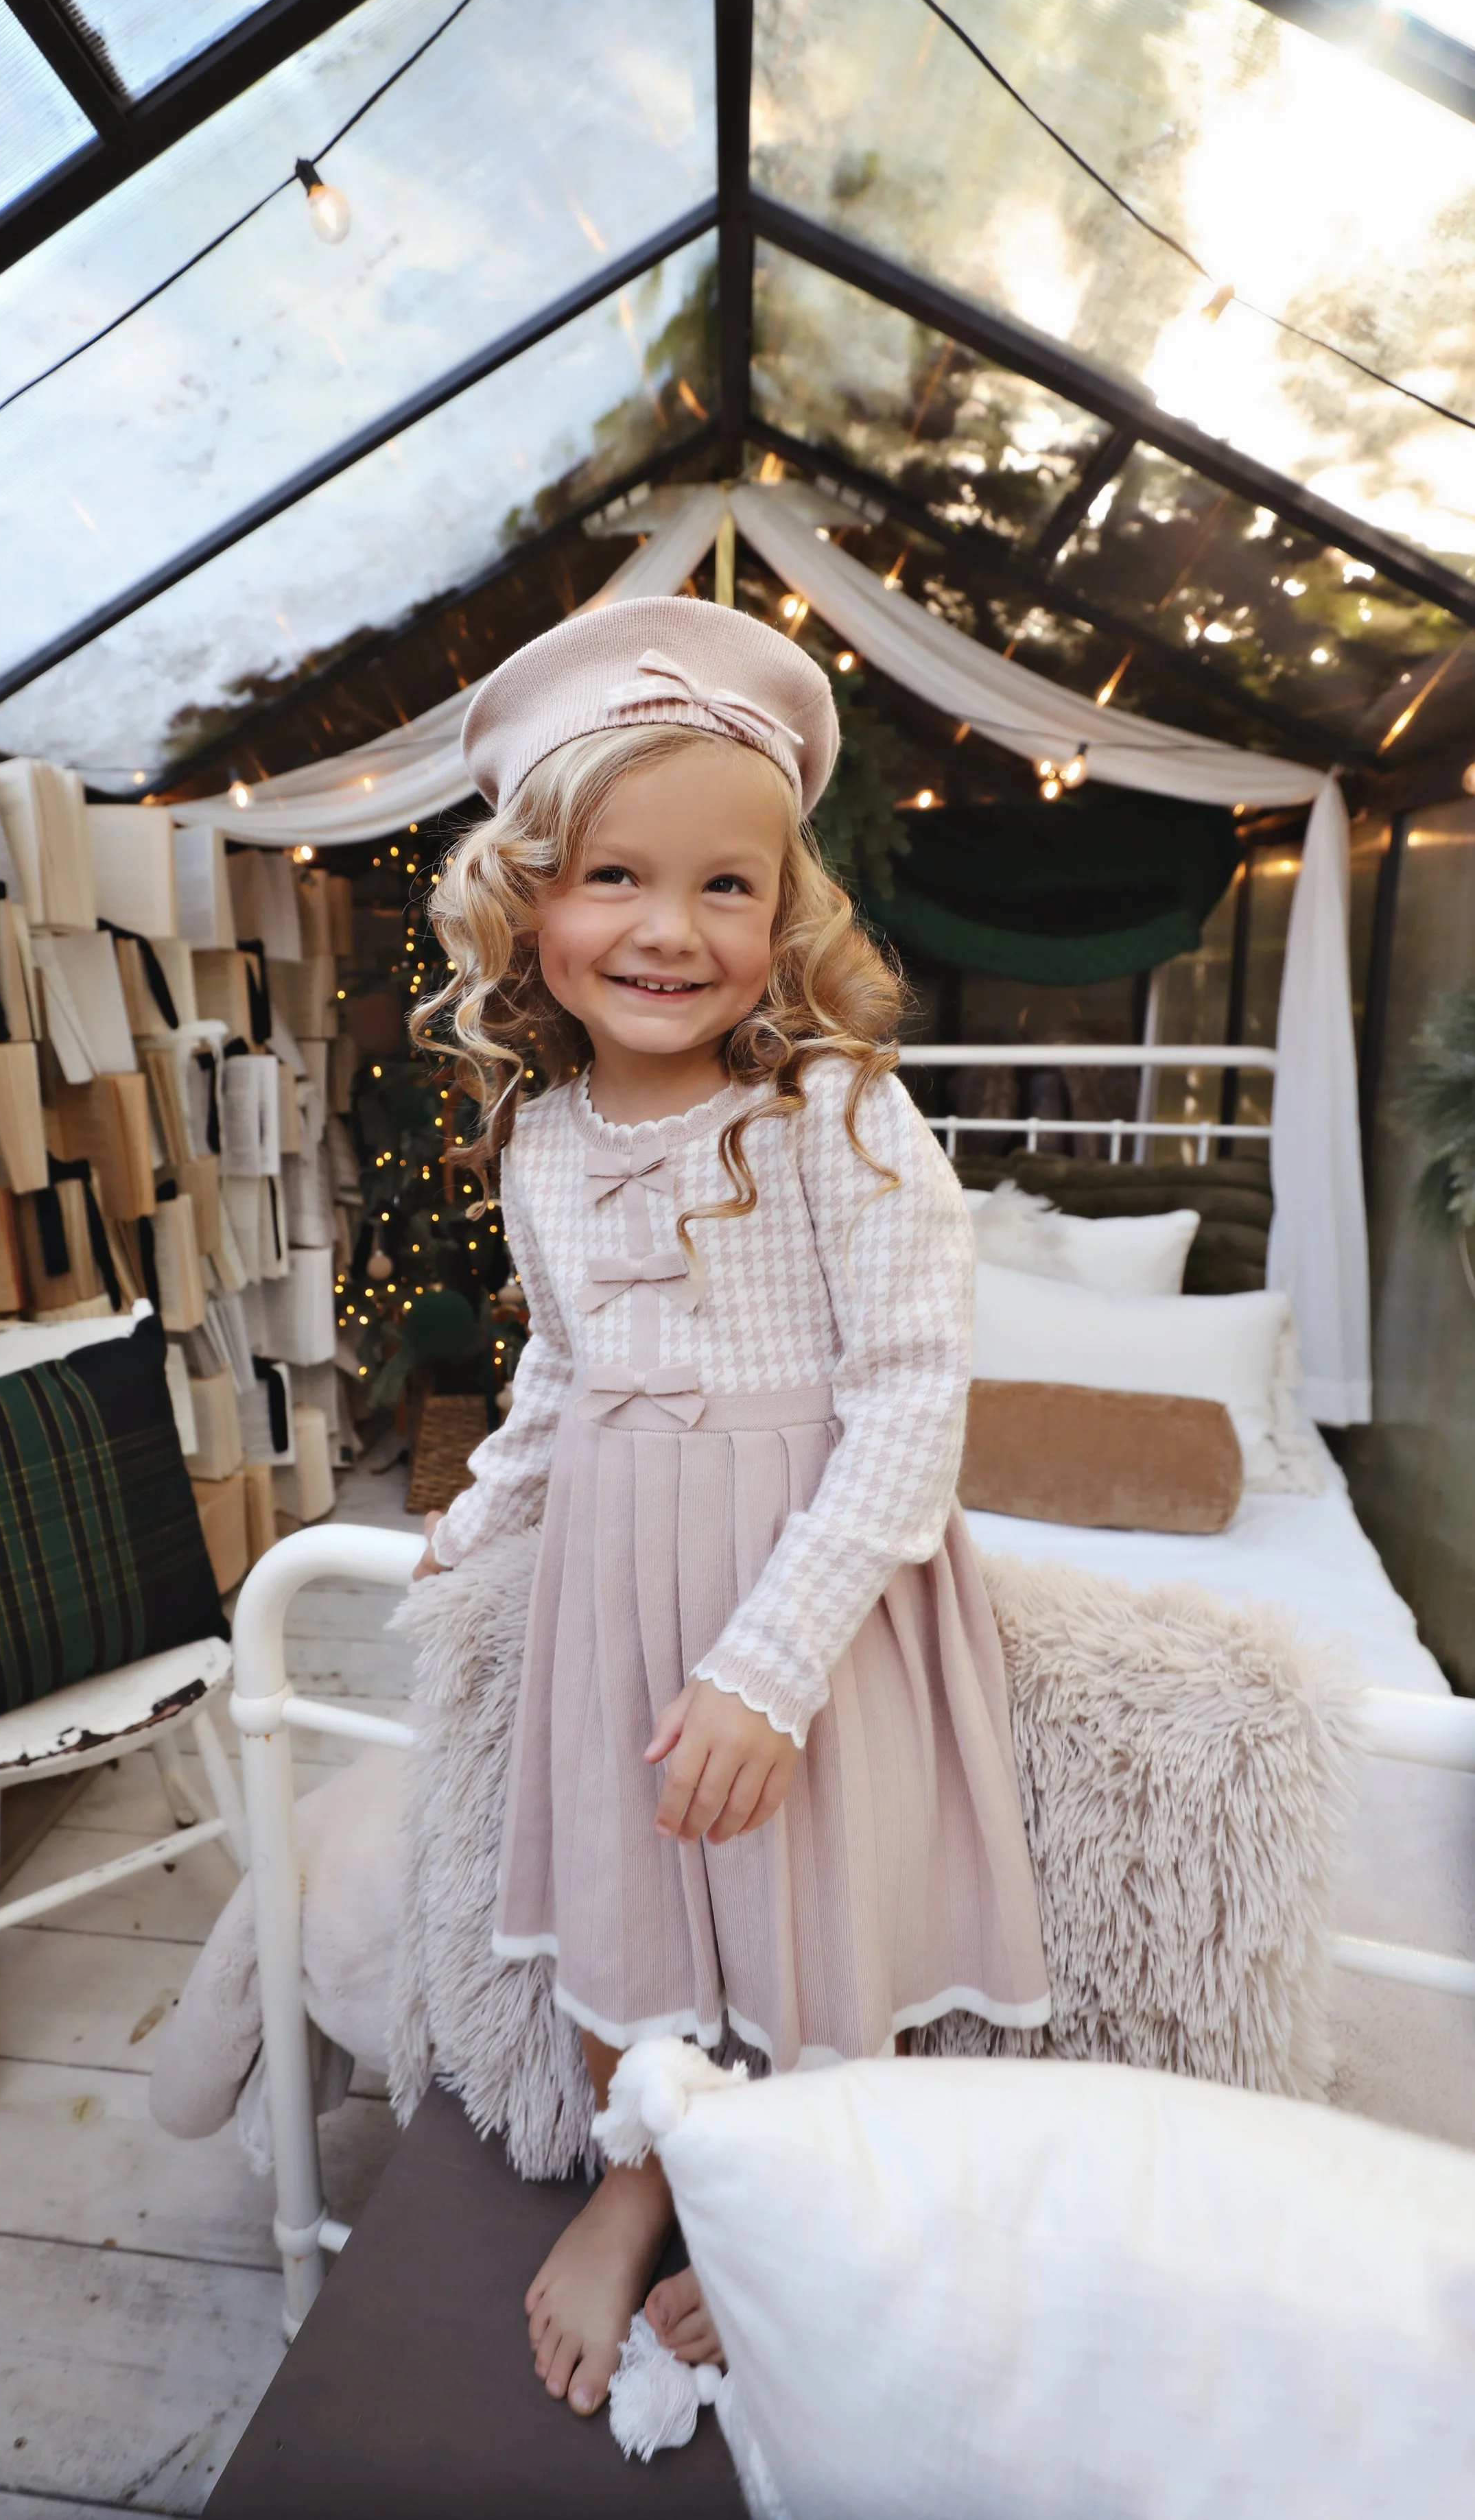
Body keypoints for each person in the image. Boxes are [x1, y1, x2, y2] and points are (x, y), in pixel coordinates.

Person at [410, 595, 1048, 2417]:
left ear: (784, 918)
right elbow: (563, 1367)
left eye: (724, 886)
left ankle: (798, 2196)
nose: (668, 929)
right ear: (526, 901)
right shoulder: (542, 1137)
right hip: (616, 1580)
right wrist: (486, 1507)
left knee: (804, 1896)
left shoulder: (839, 1117)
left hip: (800, 1597)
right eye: (614, 875)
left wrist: (770, 1671)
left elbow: (913, 1400)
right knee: (627, 1880)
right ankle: (640, 2175)